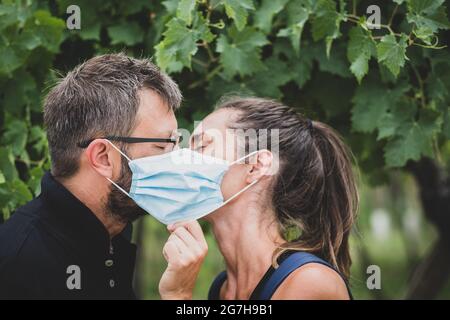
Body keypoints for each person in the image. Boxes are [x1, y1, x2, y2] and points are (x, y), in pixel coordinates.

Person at [0, 53, 207, 299]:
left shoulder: (112, 236)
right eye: (163, 146)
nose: (177, 159)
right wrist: (178, 297)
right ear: (103, 157)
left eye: (177, 143)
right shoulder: (18, 267)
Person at [166, 97, 358, 300]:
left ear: (256, 166)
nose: (184, 159)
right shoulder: (222, 288)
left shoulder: (309, 283)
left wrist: (178, 296)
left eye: (202, 146)